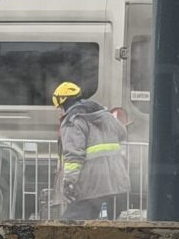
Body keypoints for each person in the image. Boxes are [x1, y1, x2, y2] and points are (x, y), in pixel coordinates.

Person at [53, 81, 130, 220]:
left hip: (91, 185)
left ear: (62, 102)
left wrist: (69, 182)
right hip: (115, 180)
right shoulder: (104, 114)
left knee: (71, 224)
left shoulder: (72, 121)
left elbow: (74, 157)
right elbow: (122, 133)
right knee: (107, 228)